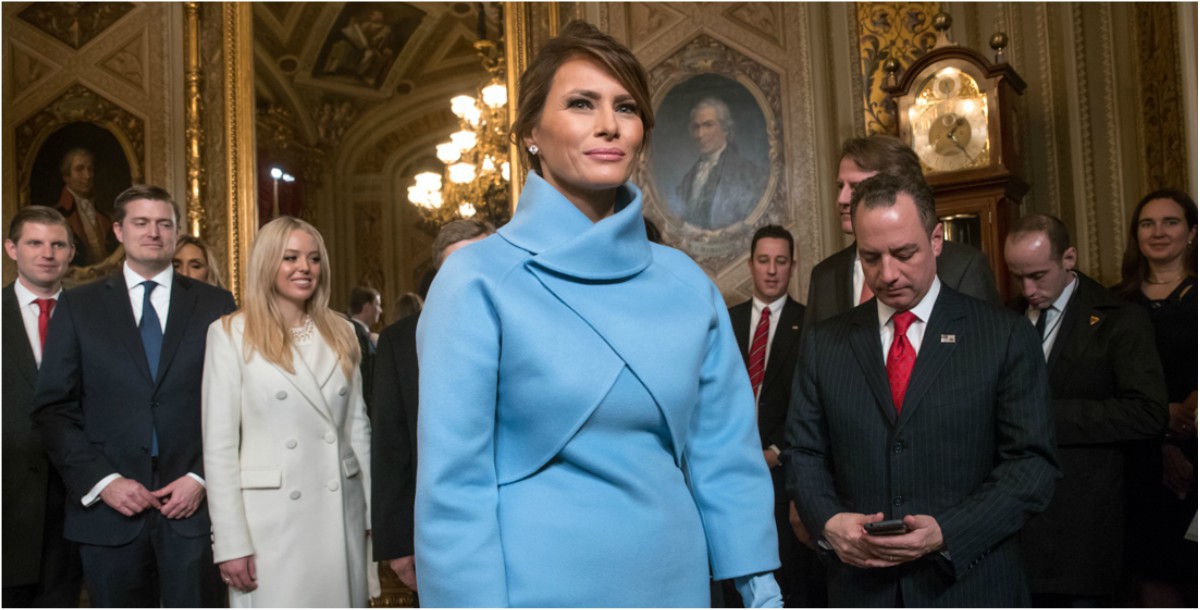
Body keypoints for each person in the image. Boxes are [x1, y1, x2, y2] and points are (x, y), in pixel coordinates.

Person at [415, 21, 781, 607]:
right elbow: (454, 489)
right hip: (537, 590)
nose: (609, 124)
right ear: (531, 131)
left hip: (675, 585)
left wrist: (760, 587)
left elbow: (725, 454)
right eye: (581, 103)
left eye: (626, 107)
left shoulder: (686, 284)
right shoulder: (476, 281)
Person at [786, 173, 1059, 607]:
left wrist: (949, 532)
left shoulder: (1003, 336)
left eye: (904, 253)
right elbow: (803, 452)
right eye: (870, 257)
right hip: (862, 590)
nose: (887, 274)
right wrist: (829, 521)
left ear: (936, 240)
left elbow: (1032, 464)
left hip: (972, 587)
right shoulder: (825, 343)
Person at [33, 185, 234, 607]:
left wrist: (201, 478)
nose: (153, 232)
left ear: (176, 231)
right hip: (108, 512)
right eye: (141, 222)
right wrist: (104, 482)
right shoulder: (79, 305)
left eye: (164, 223)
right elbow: (54, 409)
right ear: (119, 231)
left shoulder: (215, 304)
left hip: (193, 509)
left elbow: (238, 403)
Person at [202, 216, 372, 607]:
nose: (304, 268)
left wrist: (370, 518)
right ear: (267, 263)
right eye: (290, 257)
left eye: (314, 258)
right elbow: (219, 448)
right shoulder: (230, 334)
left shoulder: (343, 331)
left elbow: (357, 429)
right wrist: (230, 542)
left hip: (340, 512)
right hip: (269, 523)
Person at [1004, 213, 1169, 606]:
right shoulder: (1005, 316)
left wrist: (1041, 417)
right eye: (1018, 277)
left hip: (1084, 528)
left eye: (1038, 276)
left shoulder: (1120, 318)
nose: (1028, 289)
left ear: (1069, 258)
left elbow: (1148, 413)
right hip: (1014, 526)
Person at [371, 219, 493, 594]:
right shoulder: (399, 341)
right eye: (456, 267)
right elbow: (390, 446)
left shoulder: (527, 327)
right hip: (438, 529)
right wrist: (397, 542)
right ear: (439, 275)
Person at [803, 135, 1000, 332]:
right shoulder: (824, 275)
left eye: (857, 187)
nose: (842, 199)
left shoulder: (964, 266)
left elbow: (988, 340)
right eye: (841, 186)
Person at [725, 225, 820, 608]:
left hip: (784, 477)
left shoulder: (810, 322)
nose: (771, 270)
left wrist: (778, 450)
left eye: (780, 261)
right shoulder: (725, 320)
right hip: (730, 474)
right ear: (750, 264)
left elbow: (812, 399)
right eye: (763, 260)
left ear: (793, 266)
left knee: (786, 579)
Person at [1112, 190, 1197, 607]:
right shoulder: (1115, 302)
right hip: (1140, 456)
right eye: (1147, 224)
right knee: (1151, 570)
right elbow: (1104, 379)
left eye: (1171, 222)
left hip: (1197, 444)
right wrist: (1160, 426)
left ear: (1192, 232)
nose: (1158, 232)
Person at [2, 206, 84, 607]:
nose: (47, 253)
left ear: (71, 252)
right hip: (8, 501)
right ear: (11, 248)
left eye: (57, 244)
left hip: (78, 502)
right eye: (35, 243)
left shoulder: (96, 317)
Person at [673, 97, 767, 230]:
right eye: (696, 127)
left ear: (725, 129)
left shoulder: (751, 174)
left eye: (708, 125)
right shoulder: (687, 180)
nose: (700, 134)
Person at [53, 147, 117, 267]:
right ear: (66, 176)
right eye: (79, 169)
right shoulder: (55, 217)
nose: (87, 176)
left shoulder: (105, 215)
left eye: (90, 169)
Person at [348, 285, 381, 414]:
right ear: (367, 307)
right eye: (377, 305)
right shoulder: (358, 335)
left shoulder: (350, 330)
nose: (380, 310)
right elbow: (365, 375)